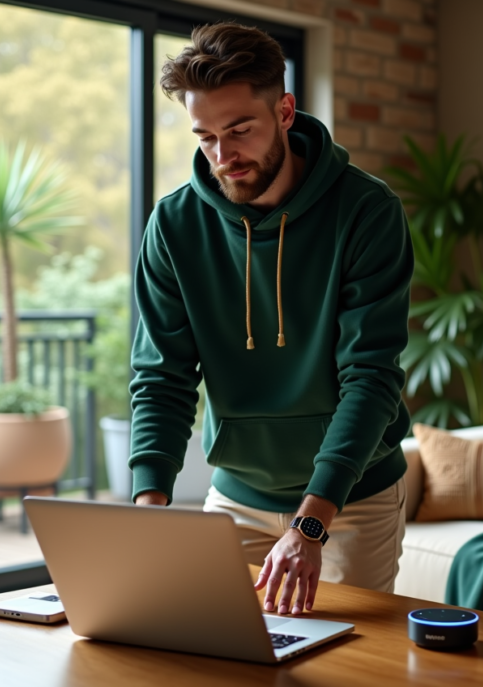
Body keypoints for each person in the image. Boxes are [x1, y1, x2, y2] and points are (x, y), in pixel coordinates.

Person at [129, 21, 413, 617]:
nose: (223, 156)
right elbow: (163, 376)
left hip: (352, 500)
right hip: (236, 496)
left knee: (347, 669)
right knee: (206, 650)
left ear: (284, 111)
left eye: (240, 130)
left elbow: (371, 377)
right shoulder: (175, 226)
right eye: (205, 136)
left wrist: (311, 526)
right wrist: (148, 509)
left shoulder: (366, 212)